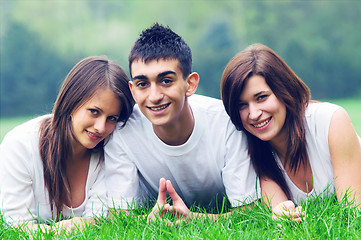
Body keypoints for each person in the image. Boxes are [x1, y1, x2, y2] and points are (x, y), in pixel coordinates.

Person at [105, 23, 258, 222]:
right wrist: (149, 221)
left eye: (166, 81)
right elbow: (120, 217)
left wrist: (193, 218)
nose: (154, 96)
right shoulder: (122, 133)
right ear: (133, 90)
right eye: (143, 84)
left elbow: (249, 211)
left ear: (190, 84)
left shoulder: (227, 123)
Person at [220, 43, 361, 221]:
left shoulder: (332, 120)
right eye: (242, 105)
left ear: (283, 90)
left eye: (261, 97)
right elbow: (282, 215)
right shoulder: (252, 149)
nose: (254, 114)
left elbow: (353, 213)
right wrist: (283, 217)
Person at [0, 56, 135, 233]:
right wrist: (60, 231)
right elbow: (16, 227)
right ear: (71, 102)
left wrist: (87, 224)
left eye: (112, 118)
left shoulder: (112, 148)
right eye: (94, 112)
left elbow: (99, 221)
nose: (101, 128)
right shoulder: (20, 145)